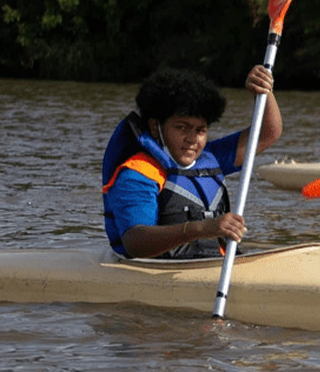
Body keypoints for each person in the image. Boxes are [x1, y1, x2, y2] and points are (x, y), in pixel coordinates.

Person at [101, 66, 281, 259]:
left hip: (213, 265)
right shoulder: (137, 174)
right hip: (161, 271)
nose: (192, 139)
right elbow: (135, 243)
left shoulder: (211, 157)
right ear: (155, 127)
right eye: (181, 127)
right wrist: (200, 228)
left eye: (200, 130)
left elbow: (267, 133)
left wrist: (263, 92)